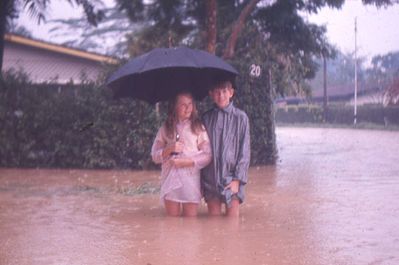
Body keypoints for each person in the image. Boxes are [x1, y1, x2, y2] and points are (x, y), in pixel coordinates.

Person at [151, 91, 212, 217]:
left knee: (190, 223)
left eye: (190, 104)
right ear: (175, 107)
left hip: (191, 180)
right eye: (183, 105)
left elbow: (207, 155)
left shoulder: (198, 127)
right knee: (172, 223)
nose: (188, 108)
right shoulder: (166, 128)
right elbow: (154, 156)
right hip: (170, 180)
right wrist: (168, 149)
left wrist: (187, 162)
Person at [201, 79, 250, 217]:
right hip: (211, 178)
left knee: (232, 226)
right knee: (213, 225)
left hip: (232, 179)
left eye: (224, 91)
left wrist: (237, 180)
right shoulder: (206, 118)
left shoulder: (241, 118)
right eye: (217, 92)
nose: (221, 95)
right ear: (211, 94)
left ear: (231, 92)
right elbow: (201, 150)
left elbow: (244, 153)